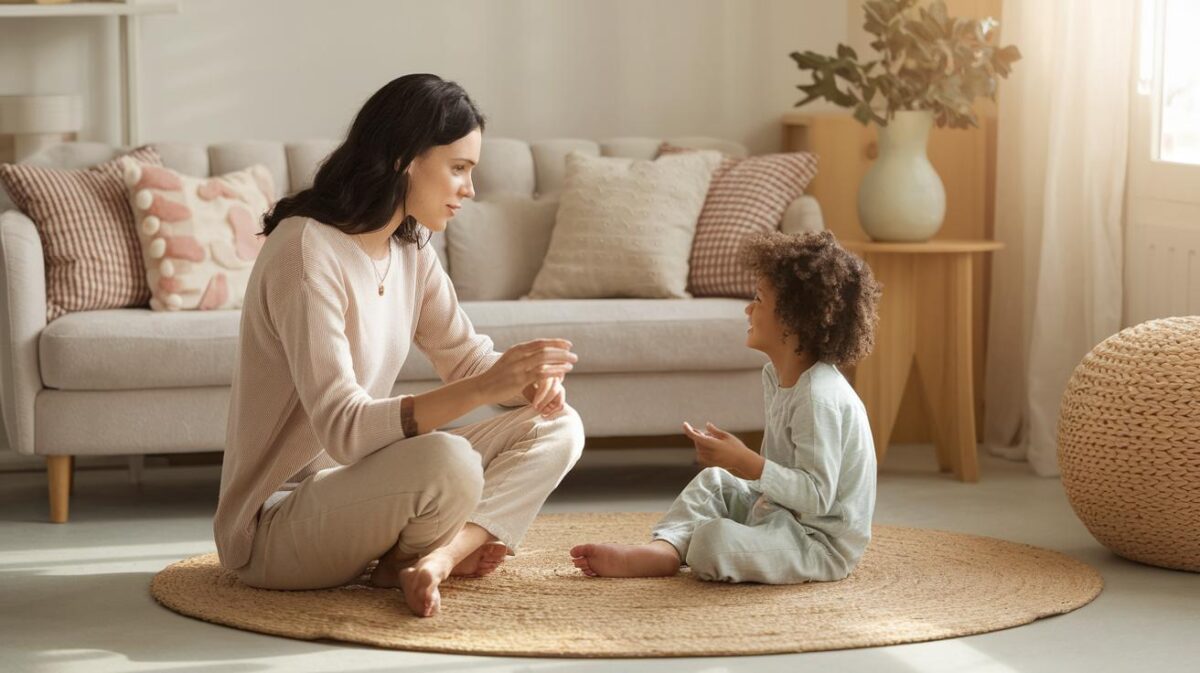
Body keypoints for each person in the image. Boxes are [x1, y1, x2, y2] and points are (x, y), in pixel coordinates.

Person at [213, 74, 585, 617]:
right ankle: (417, 554)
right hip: (274, 528)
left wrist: (526, 383)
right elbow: (345, 430)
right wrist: (487, 384)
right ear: (404, 158)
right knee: (448, 458)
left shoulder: (409, 248)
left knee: (559, 425)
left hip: (357, 494)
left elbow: (466, 359)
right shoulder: (304, 250)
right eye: (458, 168)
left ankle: (428, 559)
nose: (470, 189)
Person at [570, 231, 880, 584]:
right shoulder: (776, 377)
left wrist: (746, 462)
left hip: (818, 542)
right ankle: (666, 550)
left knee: (710, 543)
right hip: (781, 512)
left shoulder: (818, 397)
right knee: (714, 481)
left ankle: (694, 545)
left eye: (759, 300)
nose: (748, 308)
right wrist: (737, 466)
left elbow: (818, 498)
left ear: (794, 321)